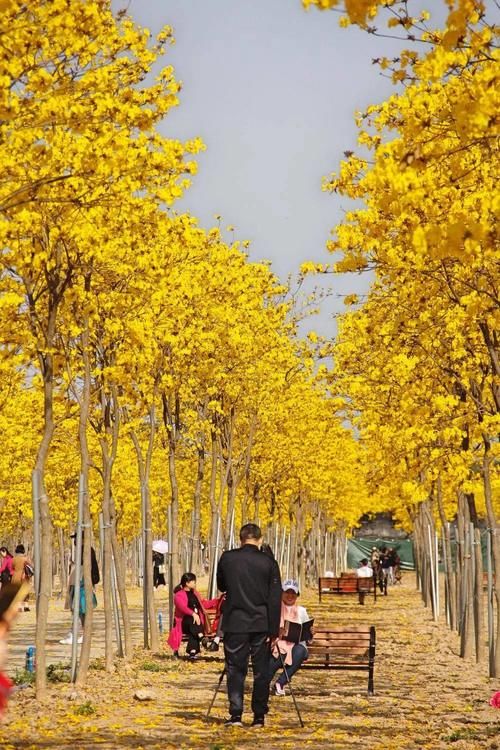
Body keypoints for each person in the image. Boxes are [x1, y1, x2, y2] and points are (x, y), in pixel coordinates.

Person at [216, 523, 282, 729]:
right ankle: (259, 716)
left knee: (235, 669)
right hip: (261, 623)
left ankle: (236, 714)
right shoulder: (268, 562)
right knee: (261, 671)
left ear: (240, 538)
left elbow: (221, 586)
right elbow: (274, 598)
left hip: (235, 621)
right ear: (260, 539)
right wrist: (274, 630)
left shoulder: (227, 558)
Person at [268, 579, 312, 696]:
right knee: (277, 656)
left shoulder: (301, 611)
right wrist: (277, 632)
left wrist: (310, 633)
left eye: (293, 593)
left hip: (296, 646)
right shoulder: (274, 609)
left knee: (300, 651)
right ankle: (264, 684)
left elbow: (307, 634)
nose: (290, 596)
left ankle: (280, 683)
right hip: (277, 645)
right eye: (287, 592)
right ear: (282, 593)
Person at [167, 572, 219, 660]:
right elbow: (182, 607)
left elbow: (203, 604)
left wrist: (217, 600)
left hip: (196, 624)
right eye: (193, 581)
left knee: (194, 627)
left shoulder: (195, 593)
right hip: (184, 623)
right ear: (187, 583)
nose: (195, 583)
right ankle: (202, 637)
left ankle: (192, 652)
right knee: (192, 619)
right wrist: (193, 614)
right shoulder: (178, 595)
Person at [60, 534, 100, 645]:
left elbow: (87, 567)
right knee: (80, 611)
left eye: (77, 539)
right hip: (78, 582)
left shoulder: (86, 550)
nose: (75, 541)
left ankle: (76, 635)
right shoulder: (81, 550)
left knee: (79, 610)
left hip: (81, 583)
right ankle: (80, 634)